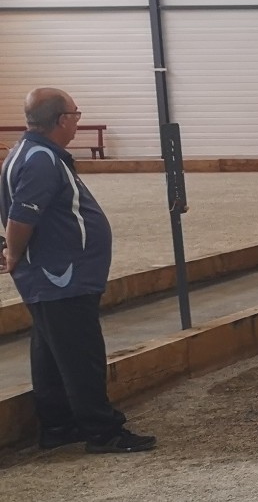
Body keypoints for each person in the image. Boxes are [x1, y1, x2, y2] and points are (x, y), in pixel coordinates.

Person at [3, 88, 157, 453]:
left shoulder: (27, 152)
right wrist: (12, 254)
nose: (78, 120)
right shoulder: (41, 159)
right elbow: (22, 216)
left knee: (52, 354)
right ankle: (102, 431)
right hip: (62, 276)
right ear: (61, 120)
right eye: (76, 114)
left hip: (55, 275)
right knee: (81, 356)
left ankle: (58, 426)